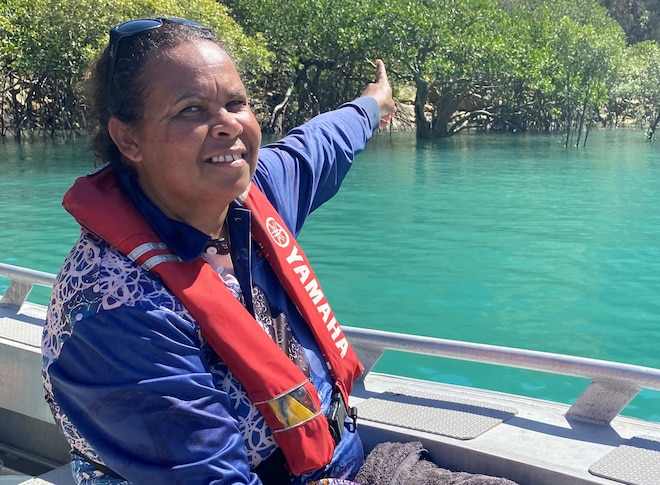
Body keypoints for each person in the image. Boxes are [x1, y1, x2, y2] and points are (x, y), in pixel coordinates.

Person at [42, 17, 395, 485]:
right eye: (192, 110)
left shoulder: (249, 195)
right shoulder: (117, 306)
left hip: (334, 464)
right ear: (129, 139)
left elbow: (321, 144)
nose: (228, 124)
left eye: (235, 103)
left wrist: (372, 103)